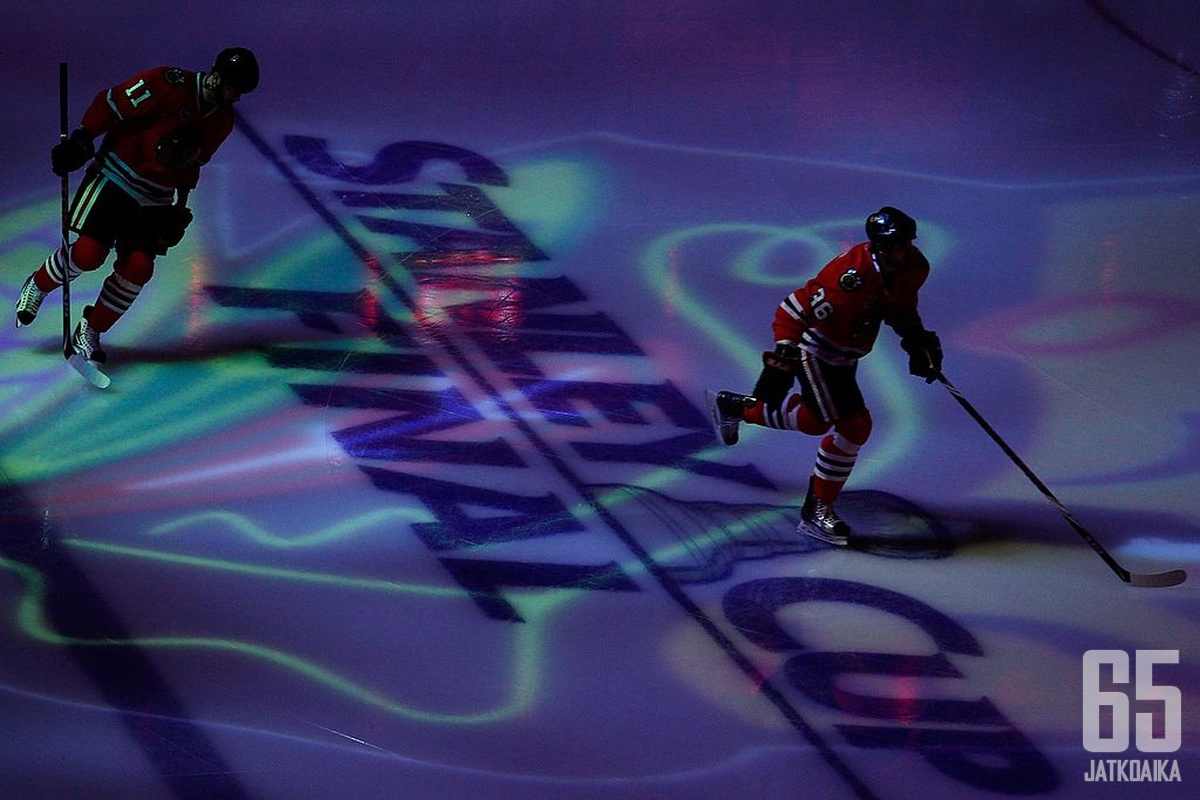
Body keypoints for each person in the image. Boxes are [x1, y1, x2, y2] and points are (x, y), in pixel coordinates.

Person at [707, 206, 942, 546]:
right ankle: (817, 511)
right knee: (855, 425)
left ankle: (734, 408)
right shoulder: (849, 277)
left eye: (908, 241)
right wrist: (785, 349)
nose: (907, 249)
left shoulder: (914, 267)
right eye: (899, 244)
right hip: (815, 351)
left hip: (846, 355)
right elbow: (793, 309)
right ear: (879, 246)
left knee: (814, 421)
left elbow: (900, 308)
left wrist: (915, 339)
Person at [14, 47, 260, 364]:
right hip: (116, 175)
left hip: (157, 196)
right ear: (217, 73)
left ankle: (90, 330)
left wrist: (179, 207)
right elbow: (111, 103)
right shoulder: (168, 83)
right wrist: (82, 138)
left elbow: (193, 163)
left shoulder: (222, 120)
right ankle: (38, 284)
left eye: (240, 91)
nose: (235, 96)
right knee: (89, 254)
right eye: (232, 86)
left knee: (139, 268)